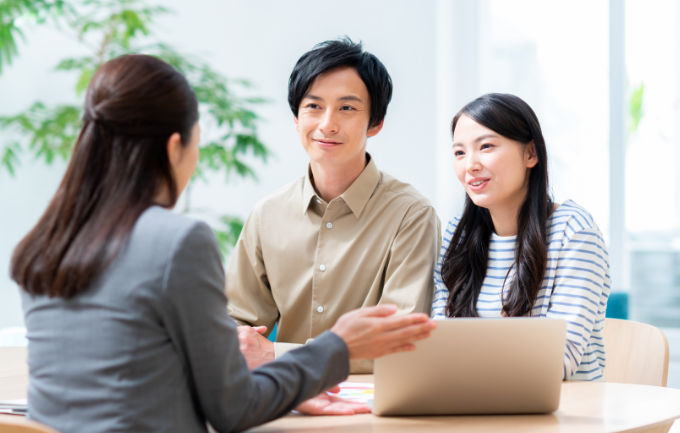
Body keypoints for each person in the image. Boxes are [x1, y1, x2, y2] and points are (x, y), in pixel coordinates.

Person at [10, 54, 436, 433]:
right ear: (176, 145)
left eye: (346, 107)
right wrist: (330, 351)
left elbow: (148, 365)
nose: (328, 122)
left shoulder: (43, 243)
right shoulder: (181, 240)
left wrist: (284, 377)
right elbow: (232, 404)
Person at [228, 38, 440, 373]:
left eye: (347, 108)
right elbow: (235, 322)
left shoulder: (411, 215)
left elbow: (397, 340)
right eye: (313, 106)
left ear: (376, 122)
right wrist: (238, 340)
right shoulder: (267, 214)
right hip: (285, 402)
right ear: (296, 118)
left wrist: (275, 354)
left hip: (372, 408)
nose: (327, 123)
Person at [431, 93, 610, 381]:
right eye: (459, 153)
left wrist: (463, 361)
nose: (470, 165)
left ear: (531, 154)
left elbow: (559, 359)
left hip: (563, 413)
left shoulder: (574, 231)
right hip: (475, 404)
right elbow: (437, 342)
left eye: (486, 146)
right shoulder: (458, 234)